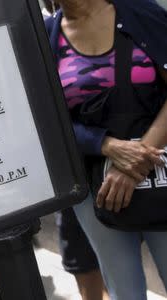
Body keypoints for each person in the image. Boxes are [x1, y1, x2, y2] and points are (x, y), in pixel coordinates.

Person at [45, 0, 167, 299]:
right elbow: (44, 118)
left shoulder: (143, 13)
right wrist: (106, 145)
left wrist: (133, 161)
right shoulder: (46, 36)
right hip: (94, 185)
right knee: (124, 289)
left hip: (159, 166)